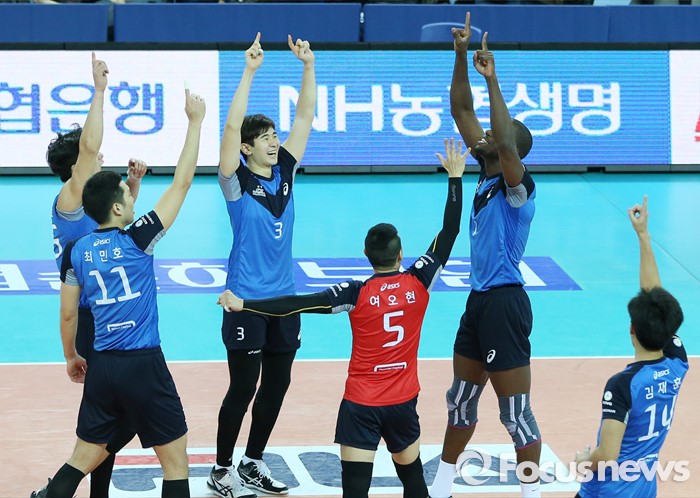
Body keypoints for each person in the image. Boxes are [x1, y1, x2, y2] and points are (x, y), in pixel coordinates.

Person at [217, 138, 467, 498]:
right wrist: (455, 177)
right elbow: (450, 232)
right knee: (413, 482)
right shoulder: (419, 282)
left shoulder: (354, 294)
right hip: (402, 403)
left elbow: (294, 304)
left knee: (355, 490)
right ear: (401, 254)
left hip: (361, 405)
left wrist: (247, 305)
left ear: (366, 253)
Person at [30, 86, 206, 498]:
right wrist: (195, 123)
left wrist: (71, 356)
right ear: (115, 207)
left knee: (83, 456)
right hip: (142, 361)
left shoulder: (77, 250)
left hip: (102, 360)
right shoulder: (137, 239)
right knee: (175, 463)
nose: (130, 196)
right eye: (127, 195)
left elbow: (67, 313)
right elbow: (181, 184)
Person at [429, 13, 541, 498]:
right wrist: (460, 55)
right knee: (460, 400)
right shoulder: (485, 168)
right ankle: (442, 485)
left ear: (510, 149)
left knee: (515, 414)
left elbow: (503, 138)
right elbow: (460, 109)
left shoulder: (519, 188)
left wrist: (493, 79)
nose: (486, 136)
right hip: (478, 303)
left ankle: (531, 491)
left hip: (505, 304)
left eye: (496, 135)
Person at [208, 31, 316, 498]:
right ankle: (220, 468)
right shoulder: (235, 183)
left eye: (274, 136)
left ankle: (252, 461)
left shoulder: (286, 170)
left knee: (276, 387)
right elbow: (230, 129)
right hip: (245, 301)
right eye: (264, 138)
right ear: (247, 148)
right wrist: (249, 72)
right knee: (243, 389)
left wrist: (308, 66)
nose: (274, 142)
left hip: (285, 301)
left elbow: (305, 116)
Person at [47, 52, 146, 498]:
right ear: (75, 169)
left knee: (112, 414)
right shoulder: (70, 197)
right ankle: (63, 484)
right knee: (119, 413)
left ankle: (80, 487)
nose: (100, 155)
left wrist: (133, 187)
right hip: (94, 318)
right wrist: (99, 91)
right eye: (92, 156)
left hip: (109, 311)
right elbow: (89, 148)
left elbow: (118, 230)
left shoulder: (86, 205)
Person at [574, 196, 688, 498]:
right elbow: (656, 300)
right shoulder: (677, 363)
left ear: (631, 330)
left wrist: (583, 460)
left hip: (605, 492)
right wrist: (643, 235)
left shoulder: (623, 385)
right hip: (644, 491)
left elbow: (607, 456)